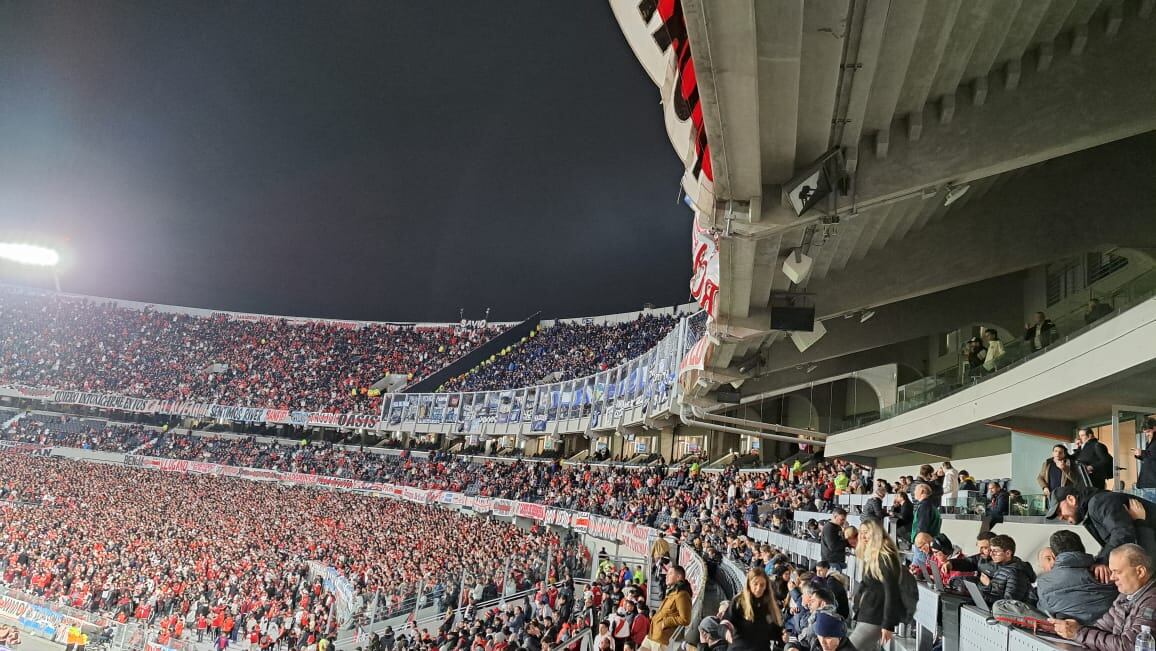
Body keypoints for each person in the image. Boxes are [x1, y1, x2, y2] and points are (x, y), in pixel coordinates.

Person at [1050, 544, 1156, 650]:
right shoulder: (1125, 596)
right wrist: (1072, 628)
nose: (1112, 577)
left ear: (1140, 572)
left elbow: (1129, 646)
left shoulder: (1152, 601)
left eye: (1117, 572)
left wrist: (1079, 633)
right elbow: (1101, 629)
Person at [1046, 486, 1156, 579]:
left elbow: (1122, 534)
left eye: (1059, 511)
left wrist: (1102, 561)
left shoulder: (1098, 503)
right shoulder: (1092, 511)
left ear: (1071, 499)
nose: (1060, 517)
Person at [1036, 530, 1118, 625]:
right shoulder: (1110, 570)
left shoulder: (1044, 584)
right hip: (1117, 630)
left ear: (1054, 556)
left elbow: (1043, 613)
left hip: (1079, 636)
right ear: (1082, 547)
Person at [849, 518, 902, 651]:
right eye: (861, 532)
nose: (862, 536)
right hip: (866, 614)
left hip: (875, 617)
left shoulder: (885, 557)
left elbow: (892, 592)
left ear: (875, 533)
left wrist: (888, 624)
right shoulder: (872, 556)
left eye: (866, 532)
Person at [722, 567, 782, 651]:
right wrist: (726, 631)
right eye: (755, 584)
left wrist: (782, 635)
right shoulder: (738, 602)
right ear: (749, 584)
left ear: (766, 586)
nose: (758, 588)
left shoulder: (770, 605)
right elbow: (725, 622)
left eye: (762, 585)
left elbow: (775, 631)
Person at [977, 534, 1036, 604]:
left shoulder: (1015, 573)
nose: (991, 554)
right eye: (991, 550)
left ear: (1008, 553)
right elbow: (997, 593)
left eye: (995, 551)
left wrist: (987, 587)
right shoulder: (1001, 568)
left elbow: (1009, 604)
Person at [645, 565, 691, 651]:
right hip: (652, 634)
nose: (666, 575)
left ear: (678, 577)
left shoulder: (682, 595)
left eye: (670, 573)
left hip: (660, 639)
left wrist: (665, 623)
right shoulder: (672, 591)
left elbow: (685, 619)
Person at [1133, 418, 1156, 490]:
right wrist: (1139, 455)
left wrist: (1142, 452)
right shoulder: (1149, 441)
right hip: (1148, 480)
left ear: (1154, 428)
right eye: (1145, 432)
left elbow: (1153, 454)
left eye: (1148, 432)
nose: (1146, 435)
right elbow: (1150, 457)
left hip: (1153, 481)